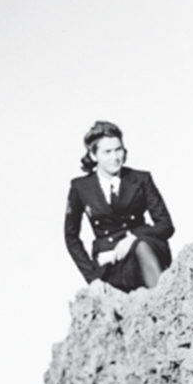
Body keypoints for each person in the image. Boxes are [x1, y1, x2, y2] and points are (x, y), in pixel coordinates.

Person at [64, 121, 174, 292]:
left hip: (146, 248)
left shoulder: (141, 179)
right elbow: (71, 237)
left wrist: (132, 238)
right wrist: (92, 278)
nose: (115, 157)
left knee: (142, 247)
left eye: (119, 149)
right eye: (107, 152)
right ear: (94, 156)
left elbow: (166, 226)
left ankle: (163, 304)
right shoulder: (80, 187)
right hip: (110, 260)